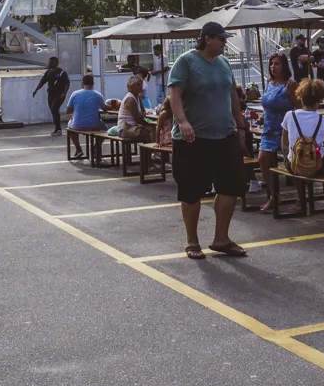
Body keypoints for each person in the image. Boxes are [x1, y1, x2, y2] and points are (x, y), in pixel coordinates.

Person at [167, 21, 249, 259]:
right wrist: (182, 121)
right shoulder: (187, 61)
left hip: (224, 135)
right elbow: (175, 93)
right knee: (191, 190)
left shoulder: (223, 63)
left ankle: (221, 239)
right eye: (221, 39)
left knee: (232, 186)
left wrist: (240, 123)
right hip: (193, 138)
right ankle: (192, 241)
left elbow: (232, 93)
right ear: (207, 39)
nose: (225, 43)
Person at [254, 57, 295, 214]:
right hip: (269, 129)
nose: (273, 67)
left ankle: (300, 198)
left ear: (284, 66)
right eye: (271, 64)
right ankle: (273, 195)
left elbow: (297, 105)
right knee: (263, 159)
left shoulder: (289, 85)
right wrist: (261, 118)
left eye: (277, 64)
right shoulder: (269, 84)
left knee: (291, 163)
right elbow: (267, 106)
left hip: (286, 129)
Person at [280, 78, 324, 178]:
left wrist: (286, 157)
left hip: (293, 165)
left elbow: (284, 140)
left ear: (301, 98)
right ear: (319, 101)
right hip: (318, 166)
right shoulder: (323, 120)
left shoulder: (289, 115)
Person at [32, 57, 71, 135]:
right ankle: (57, 129)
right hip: (51, 94)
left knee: (54, 109)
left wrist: (64, 93)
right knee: (53, 111)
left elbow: (67, 83)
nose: (48, 63)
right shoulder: (48, 72)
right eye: (48, 62)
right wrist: (36, 90)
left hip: (59, 95)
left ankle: (58, 129)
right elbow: (42, 81)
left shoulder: (62, 72)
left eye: (50, 62)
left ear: (55, 63)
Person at [111, 70, 150, 143]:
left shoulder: (137, 96)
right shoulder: (130, 99)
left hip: (132, 126)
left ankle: (149, 153)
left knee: (151, 129)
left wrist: (142, 113)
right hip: (125, 129)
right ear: (131, 87)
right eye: (138, 85)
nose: (141, 87)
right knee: (150, 132)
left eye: (141, 85)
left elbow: (143, 111)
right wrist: (144, 117)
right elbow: (138, 118)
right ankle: (149, 153)